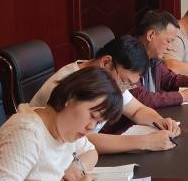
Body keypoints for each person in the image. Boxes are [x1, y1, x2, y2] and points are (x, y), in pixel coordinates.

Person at [31, 36, 179, 153]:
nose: (124, 89)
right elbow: (80, 139)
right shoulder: (69, 84)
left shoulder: (106, 80)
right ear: (106, 62)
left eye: (130, 85)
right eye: (124, 81)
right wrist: (145, 142)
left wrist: (160, 122)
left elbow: (137, 110)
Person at [132, 10, 188, 108]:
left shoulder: (154, 59)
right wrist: (182, 96)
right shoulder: (129, 57)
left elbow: (170, 79)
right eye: (168, 41)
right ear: (150, 35)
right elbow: (141, 98)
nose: (170, 47)